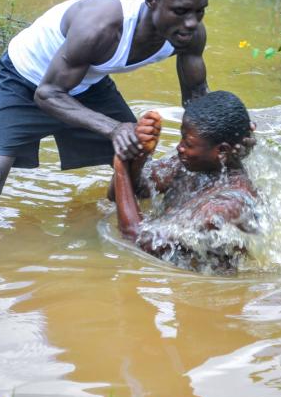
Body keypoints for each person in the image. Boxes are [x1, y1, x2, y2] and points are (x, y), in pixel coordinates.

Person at [0, 0, 211, 242]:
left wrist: (224, 137)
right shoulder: (101, 26)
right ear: (151, 1)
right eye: (180, 12)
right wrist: (113, 128)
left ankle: (119, 229)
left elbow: (197, 97)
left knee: (137, 159)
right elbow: (47, 94)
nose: (191, 23)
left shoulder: (189, 35)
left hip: (88, 83)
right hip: (25, 81)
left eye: (199, 12)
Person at [111, 91, 260, 273]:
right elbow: (133, 191)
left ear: (221, 151)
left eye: (188, 143)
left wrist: (121, 164)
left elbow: (139, 239)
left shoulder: (228, 204)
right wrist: (139, 154)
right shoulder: (190, 165)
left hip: (209, 291)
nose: (179, 147)